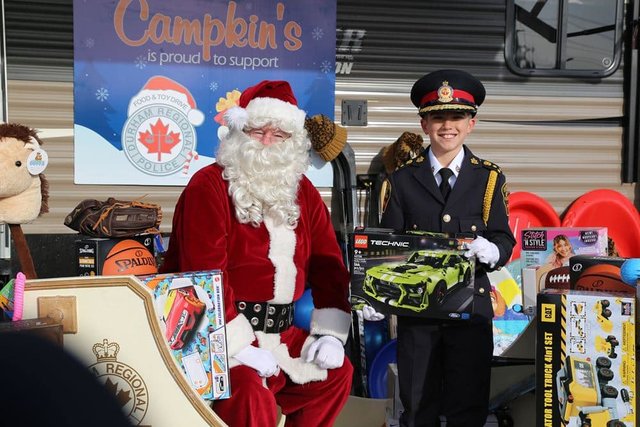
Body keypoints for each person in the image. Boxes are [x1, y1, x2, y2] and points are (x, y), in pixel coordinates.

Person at [160, 80, 353, 427]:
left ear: (293, 142)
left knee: (335, 376)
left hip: (281, 336)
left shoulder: (304, 191)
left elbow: (329, 267)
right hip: (213, 333)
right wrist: (238, 347)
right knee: (250, 395)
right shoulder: (209, 186)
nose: (266, 142)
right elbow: (203, 273)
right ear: (238, 133)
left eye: (279, 135)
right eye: (257, 131)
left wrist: (329, 335)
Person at [378, 69, 516, 427]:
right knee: (418, 407)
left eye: (457, 117)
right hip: (418, 314)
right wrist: (371, 293)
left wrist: (493, 251)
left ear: (471, 123)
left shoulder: (489, 178)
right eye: (437, 117)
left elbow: (504, 239)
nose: (447, 125)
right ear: (424, 125)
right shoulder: (402, 179)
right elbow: (386, 245)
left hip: (471, 313)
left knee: (467, 409)